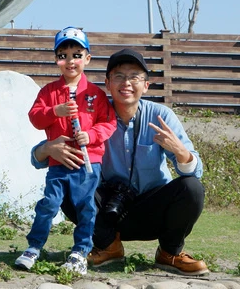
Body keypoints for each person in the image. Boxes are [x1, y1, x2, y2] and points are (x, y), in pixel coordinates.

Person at [31, 48, 209, 276]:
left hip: (150, 210)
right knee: (67, 183)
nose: (126, 83)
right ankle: (107, 246)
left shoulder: (161, 116)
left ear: (146, 85)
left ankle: (169, 252)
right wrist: (46, 149)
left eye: (134, 77)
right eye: (119, 76)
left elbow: (197, 171)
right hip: (106, 212)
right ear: (107, 83)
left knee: (191, 188)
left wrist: (182, 153)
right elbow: (37, 160)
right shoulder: (91, 113)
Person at [15, 27, 116, 275]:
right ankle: (33, 247)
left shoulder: (95, 94)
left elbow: (108, 123)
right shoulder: (48, 92)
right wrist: (54, 112)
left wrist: (90, 135)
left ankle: (80, 251)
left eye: (76, 54)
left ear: (87, 58)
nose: (70, 61)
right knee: (49, 203)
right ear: (57, 59)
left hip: (88, 162)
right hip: (58, 163)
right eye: (63, 55)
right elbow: (35, 118)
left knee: (87, 207)